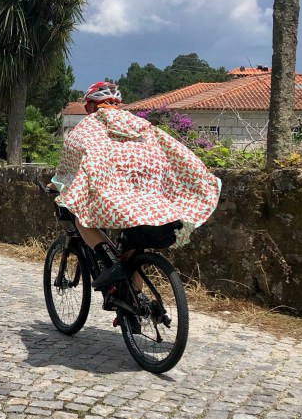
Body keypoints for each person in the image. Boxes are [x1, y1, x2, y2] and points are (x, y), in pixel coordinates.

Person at [51, 81, 220, 291]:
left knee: (81, 218)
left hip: (118, 197)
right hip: (152, 201)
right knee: (132, 250)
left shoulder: (88, 128)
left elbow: (71, 167)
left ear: (91, 106)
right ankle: (136, 302)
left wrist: (55, 184)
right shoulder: (140, 125)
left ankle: (110, 265)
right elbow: (173, 153)